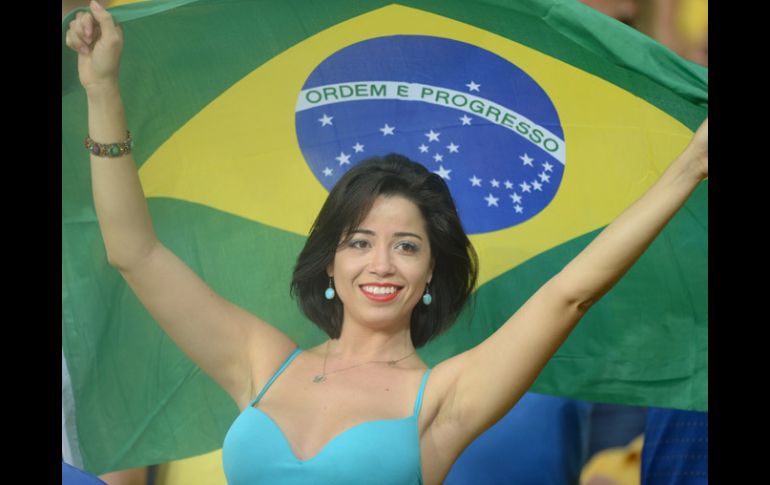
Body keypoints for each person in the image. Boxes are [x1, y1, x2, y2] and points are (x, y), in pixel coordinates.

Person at [64, 2, 708, 484]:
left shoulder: (445, 398)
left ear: (431, 273)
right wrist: (101, 91)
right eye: (360, 241)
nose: (380, 263)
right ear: (332, 262)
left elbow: (571, 293)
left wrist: (690, 166)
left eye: (406, 247)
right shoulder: (263, 362)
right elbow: (134, 252)